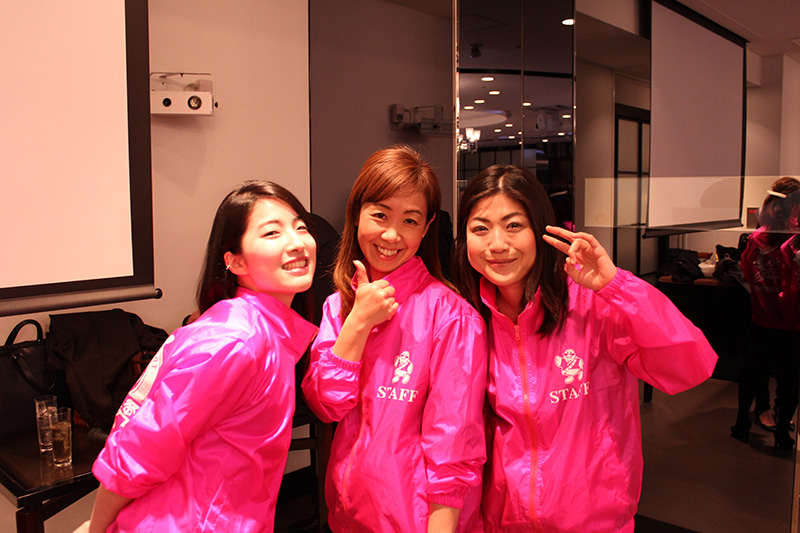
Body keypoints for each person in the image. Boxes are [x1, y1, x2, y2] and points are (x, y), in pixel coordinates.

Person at [450, 165, 718, 532]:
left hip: (594, 521)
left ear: (540, 230)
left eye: (514, 225)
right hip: (501, 523)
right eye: (480, 229)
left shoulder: (591, 304)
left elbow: (690, 366)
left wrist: (616, 286)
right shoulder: (466, 320)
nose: (497, 244)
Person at [74, 181, 319, 532]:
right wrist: (96, 527)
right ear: (235, 261)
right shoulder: (235, 340)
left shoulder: (261, 333)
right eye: (271, 233)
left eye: (300, 227)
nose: (296, 243)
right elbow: (143, 446)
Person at [301, 145, 487, 533]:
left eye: (410, 220)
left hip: (415, 521)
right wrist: (357, 324)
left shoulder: (452, 317)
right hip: (348, 514)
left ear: (427, 226)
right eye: (380, 215)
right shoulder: (340, 305)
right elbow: (326, 405)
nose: (391, 234)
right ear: (357, 213)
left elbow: (454, 446)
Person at [731, 177, 800, 449]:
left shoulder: (755, 239)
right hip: (790, 326)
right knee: (789, 382)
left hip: (760, 320)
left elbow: (747, 273)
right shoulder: (794, 241)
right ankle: (782, 434)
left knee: (751, 375)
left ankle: (741, 425)